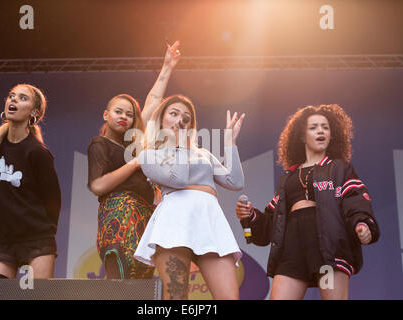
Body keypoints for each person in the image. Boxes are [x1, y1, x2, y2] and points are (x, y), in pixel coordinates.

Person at [236, 104, 379, 300]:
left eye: (325, 127)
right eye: (313, 127)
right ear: (302, 136)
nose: (320, 131)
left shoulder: (339, 168)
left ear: (332, 134)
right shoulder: (288, 177)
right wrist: (250, 215)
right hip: (292, 250)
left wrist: (362, 224)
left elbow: (355, 199)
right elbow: (271, 223)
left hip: (328, 249)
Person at [134, 94, 246, 300]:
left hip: (209, 221)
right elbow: (179, 180)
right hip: (174, 223)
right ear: (161, 119)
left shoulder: (203, 153)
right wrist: (180, 144)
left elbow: (234, 182)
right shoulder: (149, 155)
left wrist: (230, 142)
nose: (180, 120)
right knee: (176, 297)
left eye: (186, 117)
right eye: (174, 114)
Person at [87, 41, 181, 279]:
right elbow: (97, 186)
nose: (124, 117)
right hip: (118, 215)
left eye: (129, 114)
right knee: (120, 275)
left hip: (144, 214)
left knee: (142, 279)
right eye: (119, 111)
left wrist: (167, 66)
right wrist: (134, 163)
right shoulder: (100, 144)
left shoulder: (135, 142)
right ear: (106, 114)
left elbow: (152, 100)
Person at [0, 84, 61, 297]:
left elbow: (53, 201)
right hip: (4, 242)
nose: (14, 100)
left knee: (35, 296)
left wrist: (42, 232)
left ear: (34, 112)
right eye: (11, 96)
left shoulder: (37, 152)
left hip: (37, 240)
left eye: (22, 98)